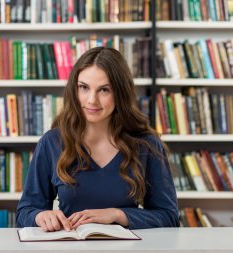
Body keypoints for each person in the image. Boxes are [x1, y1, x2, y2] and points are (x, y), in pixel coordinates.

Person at [16, 47, 179, 231]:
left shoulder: (146, 144)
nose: (92, 100)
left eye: (104, 90)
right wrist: (40, 216)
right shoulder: (52, 142)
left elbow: (169, 216)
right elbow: (24, 212)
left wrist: (118, 214)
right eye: (84, 87)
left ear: (120, 93)